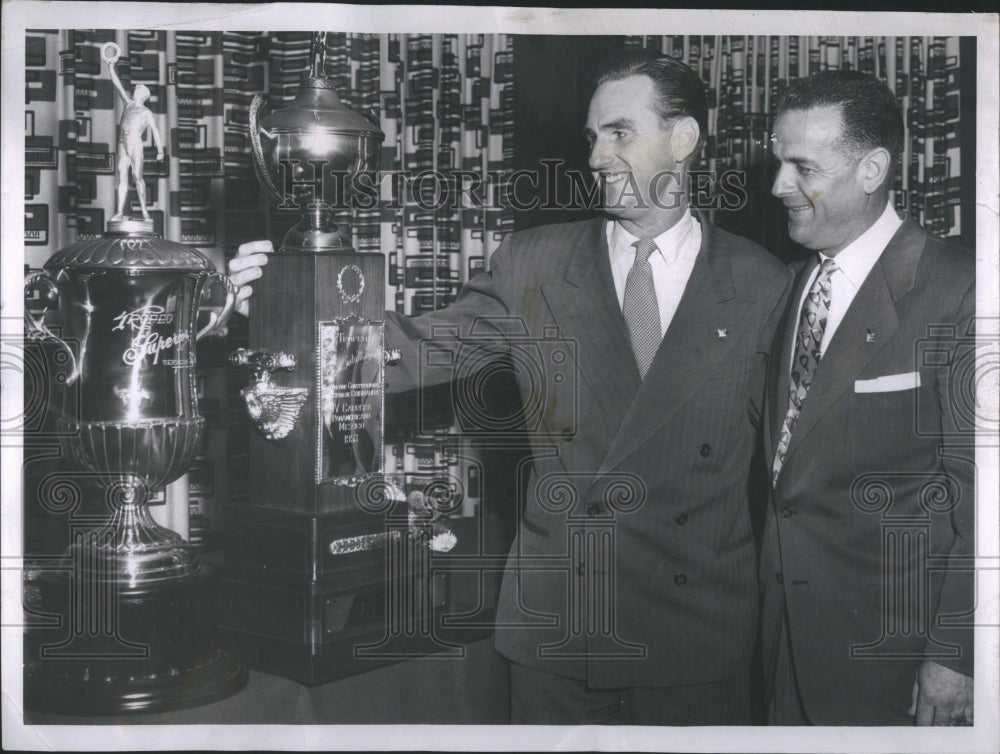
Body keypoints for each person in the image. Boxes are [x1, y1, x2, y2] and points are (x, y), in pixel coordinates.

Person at [229, 49, 791, 724]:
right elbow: (412, 350)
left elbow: (799, 467)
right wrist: (286, 306)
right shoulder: (537, 261)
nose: (595, 157)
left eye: (619, 132)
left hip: (697, 640)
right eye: (592, 138)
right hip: (561, 635)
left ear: (684, 139)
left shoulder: (763, 283)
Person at [760, 70, 975, 726]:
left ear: (873, 168)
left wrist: (958, 653)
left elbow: (988, 498)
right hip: (780, 649)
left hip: (897, 664)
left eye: (802, 166)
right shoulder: (790, 288)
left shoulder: (961, 289)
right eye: (778, 163)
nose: (777, 186)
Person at [103, 42, 164, 222]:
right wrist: (110, 67)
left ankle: (145, 212)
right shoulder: (128, 104)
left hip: (136, 144)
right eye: (136, 88)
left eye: (139, 88)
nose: (135, 88)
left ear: (144, 95)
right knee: (122, 178)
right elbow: (117, 85)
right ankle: (119, 212)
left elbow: (155, 132)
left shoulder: (146, 113)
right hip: (122, 143)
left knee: (138, 177)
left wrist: (160, 151)